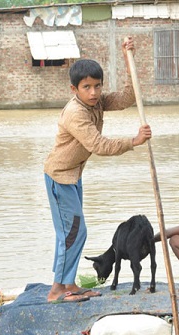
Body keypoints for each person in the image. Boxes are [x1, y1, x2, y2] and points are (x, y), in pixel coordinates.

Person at [44, 36, 152, 302]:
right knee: (72, 232)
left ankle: (68, 284)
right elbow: (99, 145)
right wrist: (134, 141)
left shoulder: (97, 102)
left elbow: (127, 97)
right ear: (74, 89)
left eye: (97, 86)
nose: (93, 92)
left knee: (73, 232)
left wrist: (129, 58)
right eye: (86, 87)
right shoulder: (76, 113)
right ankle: (57, 290)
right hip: (60, 178)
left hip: (73, 175)